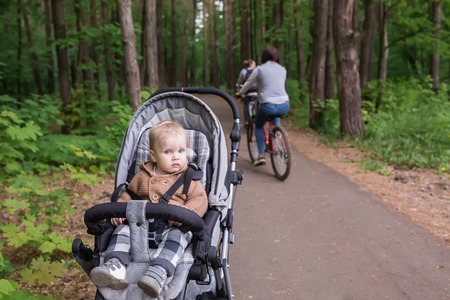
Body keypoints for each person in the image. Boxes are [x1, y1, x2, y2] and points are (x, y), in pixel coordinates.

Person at [89, 120, 208, 297]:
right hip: (139, 226)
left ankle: (158, 273)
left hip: (172, 226)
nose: (176, 157)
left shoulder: (189, 179)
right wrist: (120, 208)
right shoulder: (142, 176)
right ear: (153, 155)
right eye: (168, 152)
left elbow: (200, 200)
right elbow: (129, 194)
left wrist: (187, 214)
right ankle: (115, 266)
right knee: (122, 230)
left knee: (177, 239)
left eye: (181, 151)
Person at [237, 46, 290, 167]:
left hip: (267, 104)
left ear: (264, 57)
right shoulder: (283, 69)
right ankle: (277, 136)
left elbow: (248, 84)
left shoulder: (259, 69)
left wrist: (240, 93)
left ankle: (261, 155)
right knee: (275, 118)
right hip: (284, 104)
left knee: (259, 126)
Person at [236, 59, 258, 126]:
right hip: (256, 91)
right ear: (251, 64)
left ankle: (246, 121)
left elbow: (240, 80)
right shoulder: (257, 70)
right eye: (254, 64)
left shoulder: (243, 71)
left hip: (247, 91)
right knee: (256, 104)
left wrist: (238, 85)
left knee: (246, 104)